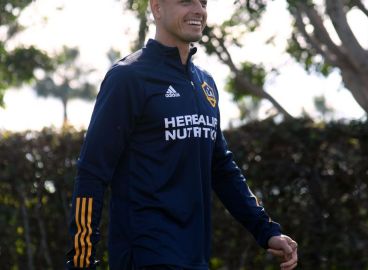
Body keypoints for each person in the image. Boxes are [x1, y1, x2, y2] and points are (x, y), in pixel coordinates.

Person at [65, 0, 298, 269]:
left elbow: (221, 167)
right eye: (186, 1)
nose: (198, 10)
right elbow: (92, 173)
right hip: (144, 258)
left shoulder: (204, 83)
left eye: (204, 2)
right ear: (157, 8)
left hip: (195, 259)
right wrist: (81, 261)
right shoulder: (127, 78)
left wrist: (266, 231)